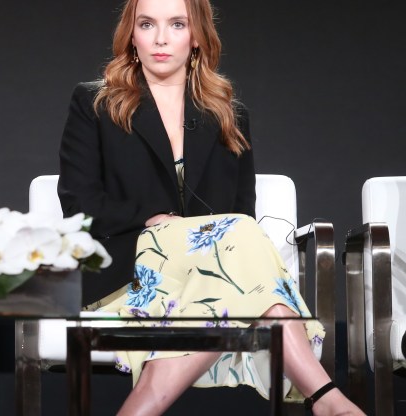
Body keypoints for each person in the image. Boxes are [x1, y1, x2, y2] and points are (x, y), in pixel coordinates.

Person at [57, 0, 363, 414]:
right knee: (258, 286)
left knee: (240, 246)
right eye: (147, 24)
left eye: (177, 24)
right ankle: (327, 399)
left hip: (208, 278)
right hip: (131, 273)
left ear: (196, 35)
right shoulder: (96, 103)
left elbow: (242, 215)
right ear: (132, 35)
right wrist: (151, 220)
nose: (161, 38)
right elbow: (79, 205)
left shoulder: (227, 113)